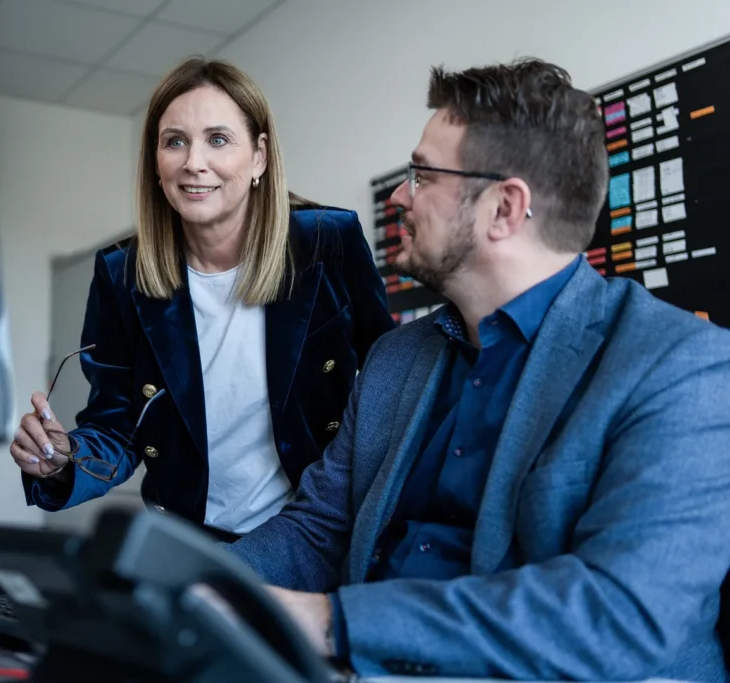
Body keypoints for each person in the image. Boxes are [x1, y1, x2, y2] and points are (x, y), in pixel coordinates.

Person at [225, 58, 730, 682]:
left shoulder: (680, 366)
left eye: (422, 175)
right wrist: (201, 587)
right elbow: (320, 529)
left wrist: (334, 623)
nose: (399, 197)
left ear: (503, 209)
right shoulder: (395, 358)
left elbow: (618, 615)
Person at [9, 57, 394, 542]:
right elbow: (117, 426)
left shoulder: (327, 242)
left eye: (218, 139)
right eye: (175, 141)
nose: (194, 162)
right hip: (195, 542)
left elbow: (392, 380)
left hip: (318, 531)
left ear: (258, 157)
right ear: (156, 162)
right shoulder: (121, 275)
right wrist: (61, 461)